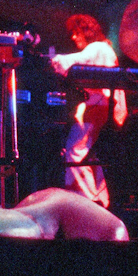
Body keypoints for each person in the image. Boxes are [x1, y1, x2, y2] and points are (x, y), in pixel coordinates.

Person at [50, 14, 127, 208]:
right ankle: (100, 199)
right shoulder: (104, 49)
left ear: (87, 31)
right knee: (89, 153)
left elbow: (74, 61)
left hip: (100, 104)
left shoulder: (98, 48)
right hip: (103, 104)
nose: (73, 38)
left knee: (75, 150)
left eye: (76, 33)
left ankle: (85, 201)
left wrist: (53, 59)